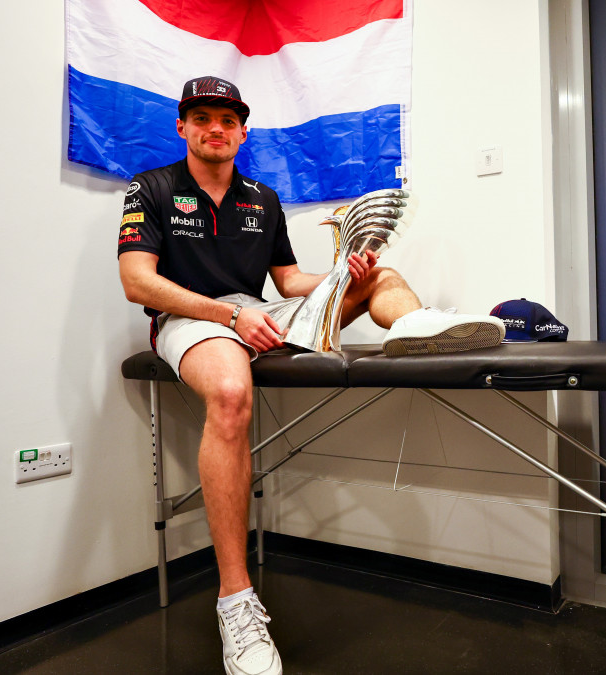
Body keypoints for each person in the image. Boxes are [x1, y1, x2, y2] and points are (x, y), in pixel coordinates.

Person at [117, 76, 504, 675]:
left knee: (381, 276)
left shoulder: (262, 199)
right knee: (228, 392)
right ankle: (236, 603)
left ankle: (415, 325)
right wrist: (231, 313)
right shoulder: (153, 188)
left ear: (243, 131)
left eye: (227, 120)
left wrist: (340, 276)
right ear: (183, 127)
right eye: (202, 118)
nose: (215, 128)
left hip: (258, 311)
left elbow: (288, 282)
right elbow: (137, 280)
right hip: (193, 316)